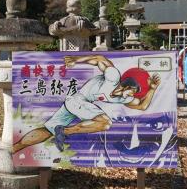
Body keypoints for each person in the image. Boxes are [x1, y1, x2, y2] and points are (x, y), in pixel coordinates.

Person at [13, 55, 161, 154]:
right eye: (133, 91)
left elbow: (142, 106)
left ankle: (15, 148)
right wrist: (76, 59)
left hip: (76, 104)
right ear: (128, 85)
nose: (132, 96)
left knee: (47, 130)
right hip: (78, 100)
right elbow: (99, 59)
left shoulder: (122, 99)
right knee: (105, 123)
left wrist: (152, 90)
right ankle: (64, 131)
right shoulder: (113, 77)